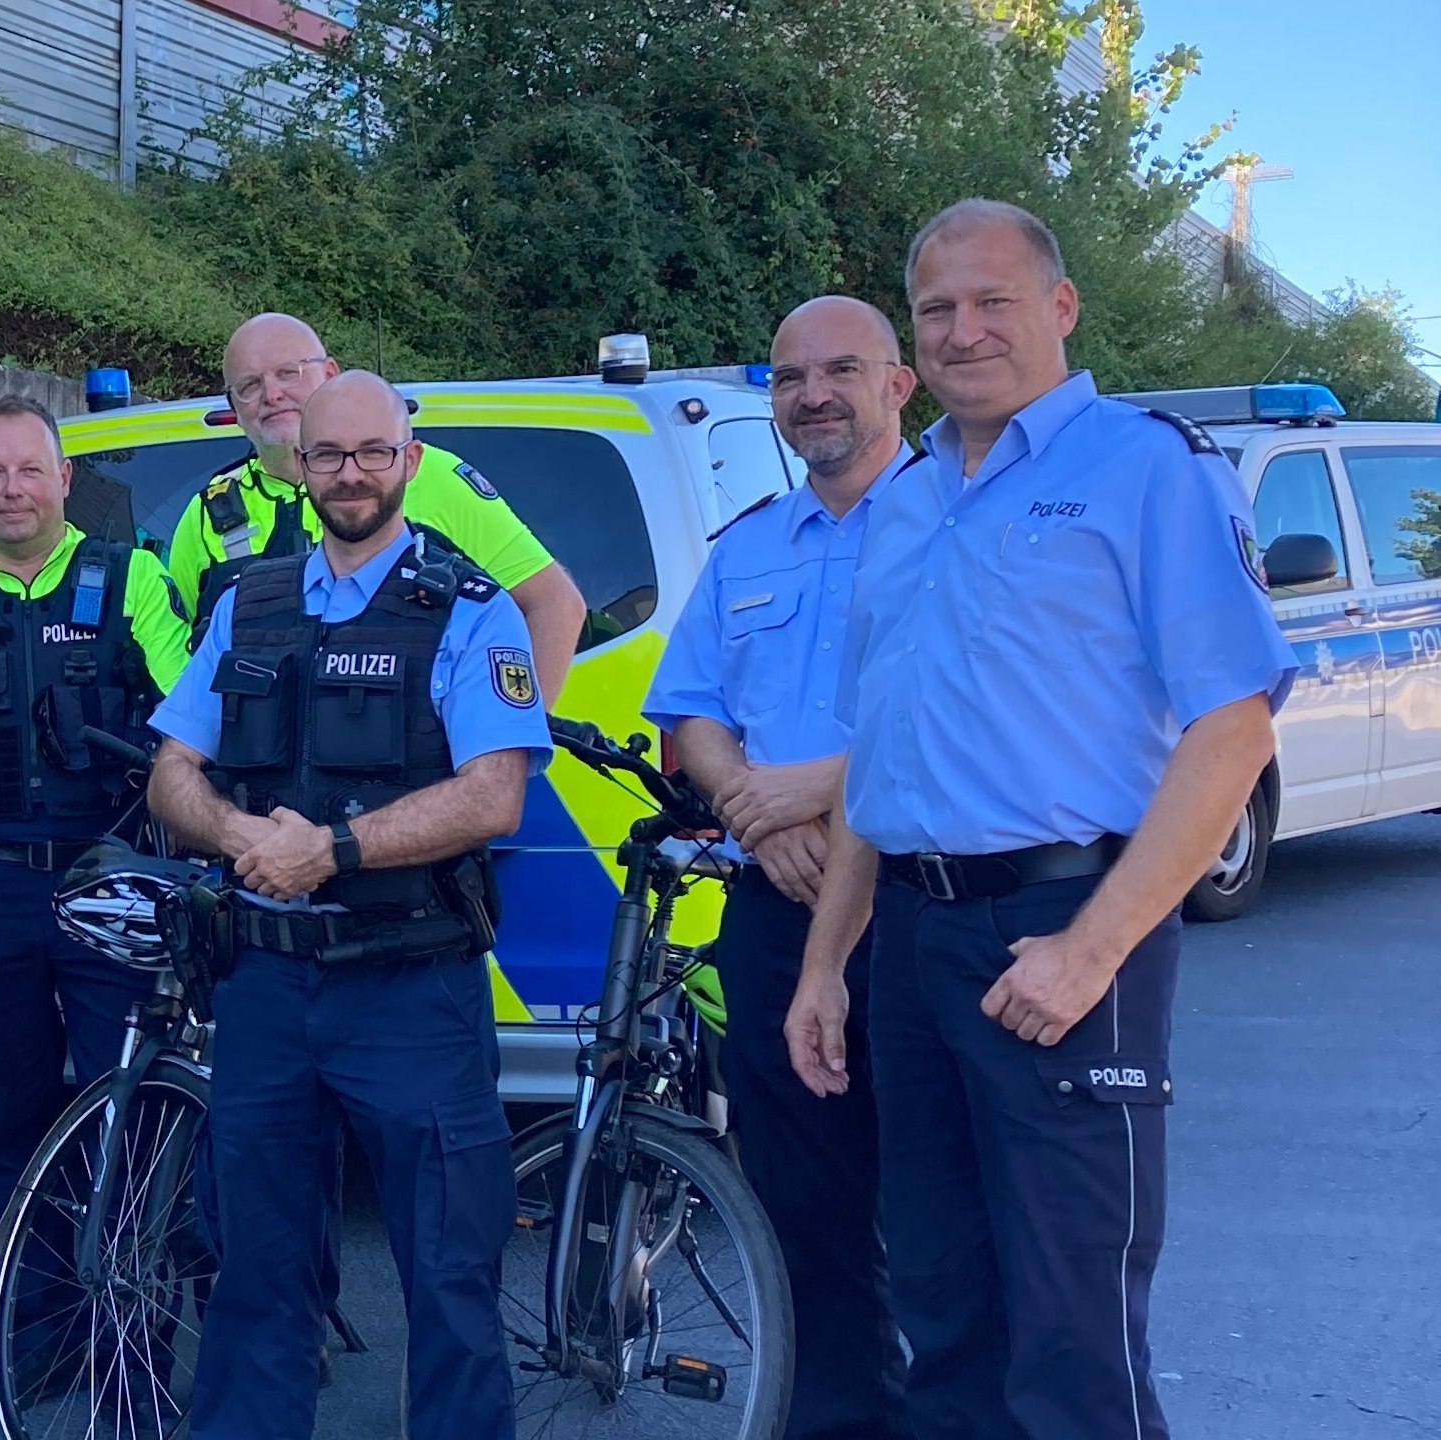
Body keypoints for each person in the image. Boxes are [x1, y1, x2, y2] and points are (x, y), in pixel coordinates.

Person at [786, 199, 1295, 1440]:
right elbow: (881, 760)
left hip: (1064, 924)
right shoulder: (904, 505)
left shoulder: (1145, 469)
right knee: (946, 1313)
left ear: (1060, 308)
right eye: (939, 309)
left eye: (993, 300)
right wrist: (826, 966)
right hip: (911, 941)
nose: (965, 331)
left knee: (1073, 1337)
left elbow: (1233, 726)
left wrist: (1095, 947)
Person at [149, 371, 543, 1440]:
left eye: (373, 452)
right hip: (267, 987)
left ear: (409, 461)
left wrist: (332, 849)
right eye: (328, 455)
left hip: (409, 985)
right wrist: (238, 837)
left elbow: (494, 793)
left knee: (448, 1276)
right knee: (255, 1269)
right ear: (299, 465)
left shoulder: (469, 609)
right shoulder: (248, 603)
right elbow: (173, 770)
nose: (350, 473)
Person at [0, 394, 192, 1404]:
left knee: (124, 1121)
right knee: (8, 1128)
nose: (11, 488)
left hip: (111, 883)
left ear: (66, 481)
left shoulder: (132, 579)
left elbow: (194, 733)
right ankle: (45, 1340)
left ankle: (131, 1350)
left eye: (30, 470)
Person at [643, 295, 917, 1440]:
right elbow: (687, 716)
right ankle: (840, 1419)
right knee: (801, 1199)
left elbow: (963, 715)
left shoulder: (952, 525)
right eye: (791, 377)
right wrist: (759, 820)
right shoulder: (749, 543)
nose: (814, 394)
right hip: (773, 908)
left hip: (915, 903)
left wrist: (802, 790)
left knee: (944, 1202)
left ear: (899, 382)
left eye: (841, 370)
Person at [167, 312, 586, 696]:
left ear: (330, 374)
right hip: (258, 770)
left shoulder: (429, 474)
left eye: (288, 373)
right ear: (234, 407)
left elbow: (555, 605)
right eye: (250, 385)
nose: (272, 394)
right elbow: (176, 658)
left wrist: (515, 745)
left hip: (420, 768)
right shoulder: (208, 514)